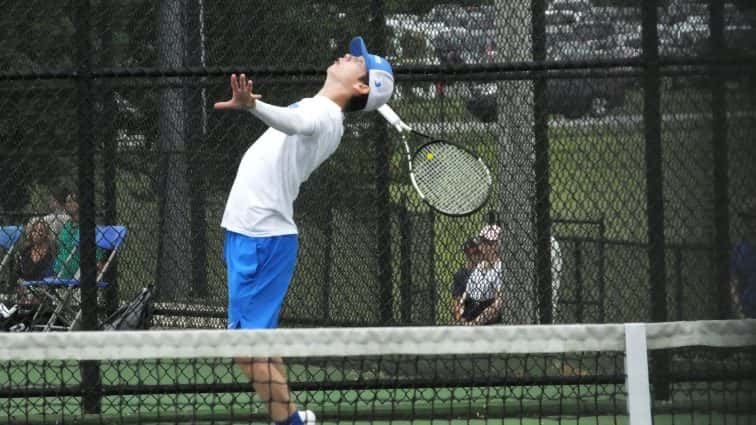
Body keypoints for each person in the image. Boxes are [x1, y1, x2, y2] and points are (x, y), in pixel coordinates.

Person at [214, 36, 394, 425]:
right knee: (257, 344)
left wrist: (253, 105)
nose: (348, 55)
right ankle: (295, 418)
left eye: (358, 60)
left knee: (245, 349)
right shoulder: (323, 111)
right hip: (253, 233)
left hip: (261, 238)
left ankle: (291, 422)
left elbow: (294, 123)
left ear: (362, 86)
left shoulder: (326, 115)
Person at [51, 191, 105, 279]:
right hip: (59, 272)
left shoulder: (89, 227)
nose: (69, 204)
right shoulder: (66, 226)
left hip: (79, 274)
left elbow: (97, 256)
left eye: (73, 201)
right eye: (67, 201)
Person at [459, 224, 504, 325]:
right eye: (482, 241)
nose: (483, 245)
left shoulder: (500, 268)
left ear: (497, 245)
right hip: (470, 312)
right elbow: (466, 293)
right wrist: (462, 312)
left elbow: (498, 303)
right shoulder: (480, 265)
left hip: (487, 322)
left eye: (488, 242)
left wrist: (476, 322)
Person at [15, 218, 54, 307]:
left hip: (43, 287)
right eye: (34, 230)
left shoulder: (50, 253)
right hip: (26, 287)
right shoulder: (25, 251)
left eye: (40, 230)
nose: (36, 233)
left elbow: (50, 273)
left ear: (46, 234)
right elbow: (19, 273)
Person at [731, 197, 756, 318]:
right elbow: (734, 282)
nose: (752, 223)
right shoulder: (739, 249)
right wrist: (738, 307)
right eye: (749, 219)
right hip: (748, 310)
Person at [450, 236, 481, 323]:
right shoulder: (461, 274)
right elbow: (456, 301)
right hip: (469, 317)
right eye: (474, 252)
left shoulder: (488, 269)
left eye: (480, 252)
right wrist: (459, 319)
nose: (478, 255)